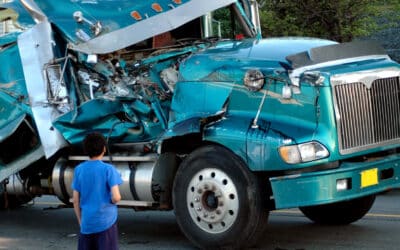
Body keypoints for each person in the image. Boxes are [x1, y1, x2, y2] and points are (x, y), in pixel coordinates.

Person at [72, 132, 123, 250]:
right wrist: (111, 200)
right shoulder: (108, 169)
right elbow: (116, 197)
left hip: (87, 224)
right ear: (104, 149)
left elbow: (75, 200)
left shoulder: (79, 169)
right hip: (106, 222)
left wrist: (81, 222)